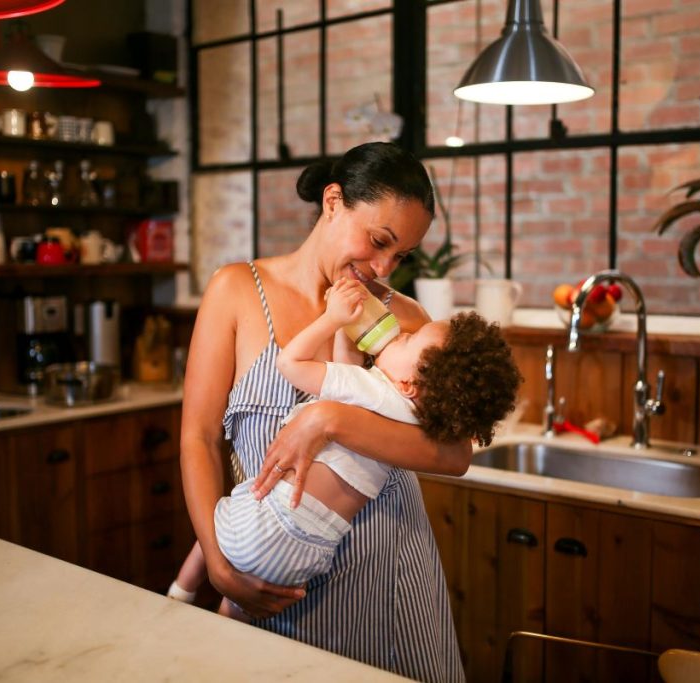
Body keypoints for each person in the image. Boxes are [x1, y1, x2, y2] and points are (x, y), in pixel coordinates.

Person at [178, 142, 489, 682]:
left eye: (400, 256)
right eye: (379, 241)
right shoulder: (236, 291)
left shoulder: (401, 316)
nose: (383, 267)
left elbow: (456, 453)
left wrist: (332, 420)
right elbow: (198, 439)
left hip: (391, 567)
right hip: (282, 571)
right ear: (333, 202)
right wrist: (220, 565)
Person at [168, 278, 521, 622]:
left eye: (408, 339)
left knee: (227, 514)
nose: (400, 334)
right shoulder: (421, 418)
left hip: (265, 521)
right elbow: (346, 369)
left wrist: (332, 319)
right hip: (304, 557)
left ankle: (182, 589)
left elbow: (290, 364)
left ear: (408, 383)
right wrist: (351, 328)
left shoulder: (369, 387)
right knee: (239, 609)